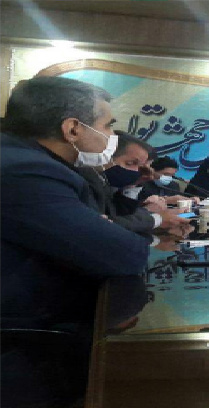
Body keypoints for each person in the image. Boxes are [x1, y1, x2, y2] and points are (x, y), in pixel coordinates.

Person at [0, 76, 152, 407]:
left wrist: (102, 228)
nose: (111, 136)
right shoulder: (25, 170)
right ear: (72, 129)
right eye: (107, 125)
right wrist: (105, 232)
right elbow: (125, 254)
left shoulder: (27, 160)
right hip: (24, 348)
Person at [78, 133, 191, 235]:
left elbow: (118, 212)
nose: (137, 171)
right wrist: (156, 218)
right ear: (107, 156)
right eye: (131, 163)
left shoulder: (108, 184)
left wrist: (135, 183)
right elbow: (106, 225)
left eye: (142, 167)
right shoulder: (88, 182)